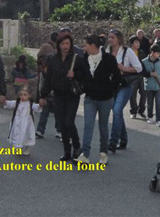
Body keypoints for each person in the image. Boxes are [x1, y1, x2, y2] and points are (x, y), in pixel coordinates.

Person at [74, 34, 121, 165]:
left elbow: (117, 77)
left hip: (105, 98)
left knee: (103, 126)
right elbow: (81, 76)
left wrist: (110, 90)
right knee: (88, 125)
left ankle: (103, 153)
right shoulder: (84, 59)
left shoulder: (109, 59)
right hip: (90, 97)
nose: (84, 47)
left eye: (86, 45)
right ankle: (85, 154)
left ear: (93, 46)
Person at [39, 32, 84, 161]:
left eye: (67, 43)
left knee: (69, 121)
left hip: (72, 94)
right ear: (58, 45)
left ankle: (76, 146)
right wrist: (43, 95)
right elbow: (48, 79)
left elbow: (85, 76)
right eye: (63, 43)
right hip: (58, 94)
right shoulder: (52, 59)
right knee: (62, 124)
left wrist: (74, 74)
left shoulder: (77, 59)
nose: (65, 46)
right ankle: (66, 151)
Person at [107, 29, 142, 152]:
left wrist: (124, 68)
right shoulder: (107, 51)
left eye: (112, 37)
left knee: (116, 111)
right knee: (118, 113)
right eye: (109, 37)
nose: (110, 39)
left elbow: (138, 68)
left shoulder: (128, 52)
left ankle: (113, 141)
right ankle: (123, 139)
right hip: (112, 85)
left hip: (124, 86)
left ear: (119, 39)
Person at [35, 32, 61, 139]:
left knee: (47, 109)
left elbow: (38, 56)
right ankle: (58, 130)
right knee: (56, 110)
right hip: (51, 81)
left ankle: (41, 130)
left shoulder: (48, 47)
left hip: (47, 79)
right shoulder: (53, 49)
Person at [7, 86, 43, 156]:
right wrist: (5, 102)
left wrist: (40, 105)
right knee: (18, 135)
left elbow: (37, 107)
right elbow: (10, 104)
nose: (22, 97)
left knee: (27, 135)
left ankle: (27, 147)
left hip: (27, 124)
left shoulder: (30, 104)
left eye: (25, 95)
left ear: (29, 95)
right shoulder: (17, 103)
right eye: (21, 95)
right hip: (17, 123)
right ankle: (18, 147)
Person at [142, 44, 160, 127]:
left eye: (159, 53)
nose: (159, 55)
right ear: (152, 52)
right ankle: (150, 117)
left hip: (158, 85)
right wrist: (150, 74)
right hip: (149, 85)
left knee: (158, 103)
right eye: (157, 53)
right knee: (149, 102)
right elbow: (142, 73)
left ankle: (158, 119)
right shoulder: (144, 61)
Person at [128, 35, 147, 119]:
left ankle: (141, 110)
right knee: (132, 95)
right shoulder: (128, 53)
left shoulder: (141, 52)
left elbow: (144, 64)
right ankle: (133, 111)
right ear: (132, 44)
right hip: (132, 76)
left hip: (141, 76)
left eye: (138, 42)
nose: (138, 44)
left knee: (143, 93)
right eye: (136, 42)